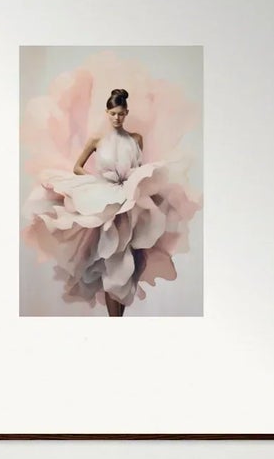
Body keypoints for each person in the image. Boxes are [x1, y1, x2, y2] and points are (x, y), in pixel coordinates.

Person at [23, 87, 196, 317]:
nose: (117, 118)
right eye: (113, 113)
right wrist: (96, 182)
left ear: (126, 113)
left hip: (130, 202)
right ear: (107, 113)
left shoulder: (136, 139)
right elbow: (77, 167)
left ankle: (118, 321)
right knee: (109, 261)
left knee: (128, 265)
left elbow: (138, 173)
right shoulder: (97, 140)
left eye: (121, 113)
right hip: (105, 201)